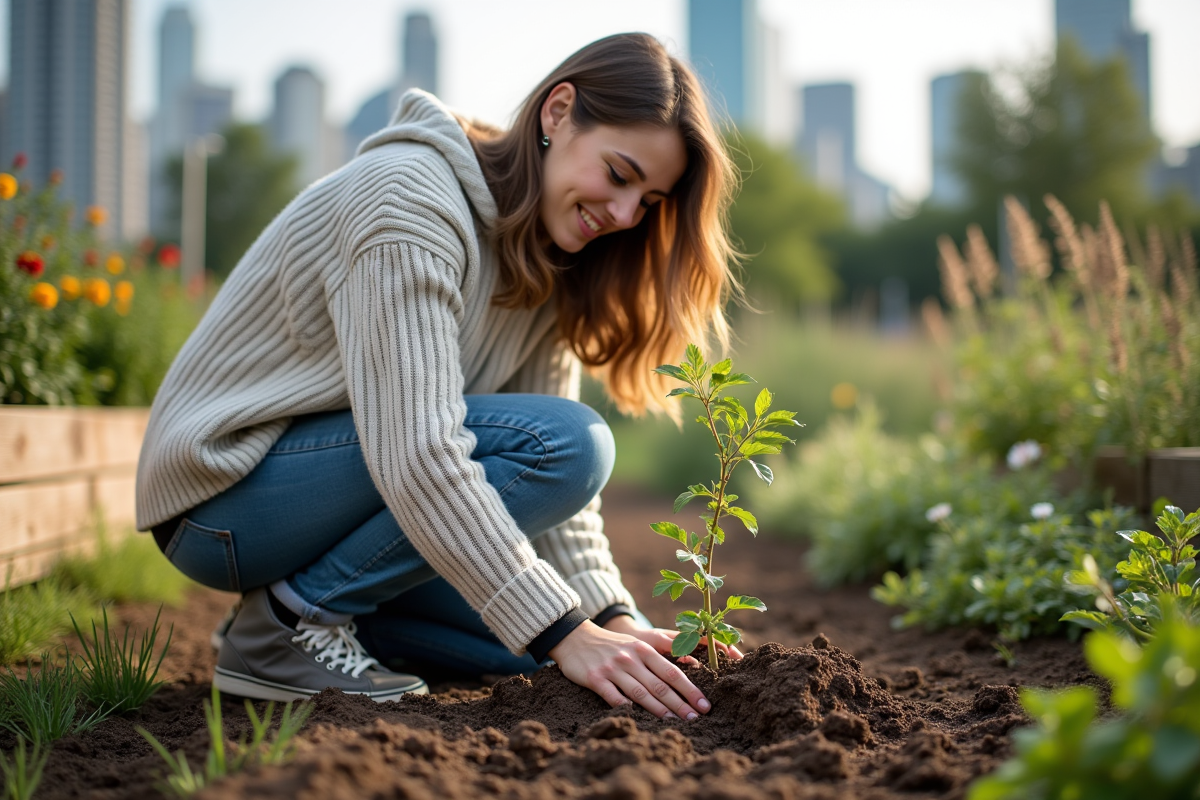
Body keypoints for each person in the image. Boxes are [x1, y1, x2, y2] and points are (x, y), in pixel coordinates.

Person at [136, 32, 741, 721]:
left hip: (324, 499)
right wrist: (566, 631)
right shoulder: (408, 201)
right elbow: (422, 452)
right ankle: (286, 622)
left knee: (535, 645)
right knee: (572, 450)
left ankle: (305, 621)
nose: (627, 215)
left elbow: (557, 517)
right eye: (620, 174)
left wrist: (607, 617)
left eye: (651, 201)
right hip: (224, 499)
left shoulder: (548, 253)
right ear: (558, 112)